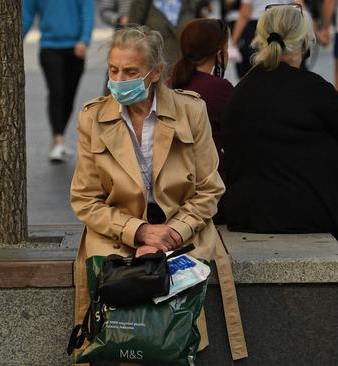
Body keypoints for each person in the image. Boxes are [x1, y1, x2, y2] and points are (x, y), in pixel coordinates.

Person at [222, 5, 338, 364]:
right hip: (301, 207)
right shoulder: (311, 87)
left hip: (247, 209)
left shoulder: (243, 89)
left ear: (260, 40)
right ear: (305, 43)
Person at [70, 26, 246, 361]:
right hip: (116, 232)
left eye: (131, 72)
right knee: (117, 323)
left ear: (155, 73)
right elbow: (85, 199)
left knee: (174, 326)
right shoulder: (93, 117)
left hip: (182, 229)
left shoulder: (190, 110)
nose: (119, 79)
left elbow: (209, 189)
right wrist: (138, 232)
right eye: (113, 69)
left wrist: (170, 234)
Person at [170, 18, 233, 224]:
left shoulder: (168, 84)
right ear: (219, 53)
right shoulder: (220, 88)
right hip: (209, 195)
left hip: (171, 193)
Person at [22, 0, 94, 163]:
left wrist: (84, 40)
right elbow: (26, 15)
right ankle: (58, 140)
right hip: (49, 47)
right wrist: (15, 43)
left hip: (76, 48)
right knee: (56, 93)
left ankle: (59, 137)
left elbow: (87, 12)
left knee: (68, 97)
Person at [127, 0, 208, 74]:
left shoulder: (193, 3)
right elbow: (132, 35)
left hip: (185, 73)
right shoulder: (142, 3)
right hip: (153, 71)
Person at [230, 0, 304, 78]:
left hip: (258, 26)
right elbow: (300, 6)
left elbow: (245, 14)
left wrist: (234, 41)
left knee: (257, 67)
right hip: (287, 23)